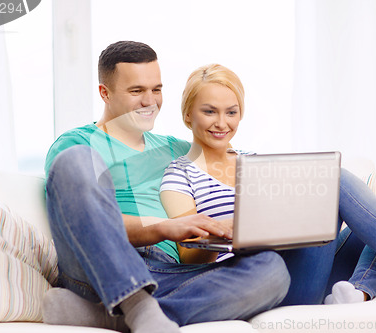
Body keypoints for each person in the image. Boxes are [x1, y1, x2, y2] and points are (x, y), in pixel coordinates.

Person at [158, 63, 376, 306]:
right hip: (267, 281)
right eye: (209, 111)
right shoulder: (179, 175)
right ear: (188, 114)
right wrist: (227, 230)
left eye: (231, 112)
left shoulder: (255, 162)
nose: (221, 122)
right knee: (336, 181)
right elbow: (189, 256)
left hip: (314, 270)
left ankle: (357, 291)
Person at [42, 41, 291, 333]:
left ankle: (114, 317)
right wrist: (163, 228)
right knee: (74, 161)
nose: (150, 102)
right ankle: (135, 305)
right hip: (98, 271)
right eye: (137, 91)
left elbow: (228, 153)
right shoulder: (78, 144)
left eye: (156, 89)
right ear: (105, 93)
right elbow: (85, 222)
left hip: (167, 272)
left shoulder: (176, 149)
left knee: (271, 270)